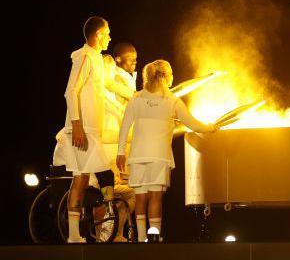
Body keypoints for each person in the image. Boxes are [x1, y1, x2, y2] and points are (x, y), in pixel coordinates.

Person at [117, 60, 218, 241]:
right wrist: (209, 128)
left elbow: (124, 127)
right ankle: (154, 236)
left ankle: (141, 239)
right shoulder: (172, 101)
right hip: (159, 157)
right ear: (165, 77)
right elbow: (192, 123)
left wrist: (120, 152)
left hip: (137, 155)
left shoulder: (136, 98)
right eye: (171, 74)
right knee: (155, 197)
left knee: (140, 197)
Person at [61, 16, 116, 243]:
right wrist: (76, 125)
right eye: (108, 34)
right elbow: (71, 91)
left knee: (84, 179)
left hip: (91, 131)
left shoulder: (97, 60)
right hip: (82, 130)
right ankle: (77, 234)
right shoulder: (84, 56)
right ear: (98, 34)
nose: (109, 38)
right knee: (85, 178)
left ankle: (81, 232)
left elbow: (102, 95)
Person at [101, 45, 139, 241]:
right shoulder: (115, 77)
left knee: (125, 192)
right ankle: (109, 233)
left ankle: (116, 233)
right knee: (127, 192)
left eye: (136, 58)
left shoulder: (126, 78)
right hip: (115, 144)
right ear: (117, 59)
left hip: (122, 143)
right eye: (130, 58)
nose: (134, 61)